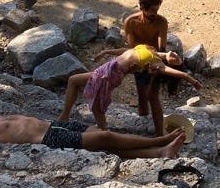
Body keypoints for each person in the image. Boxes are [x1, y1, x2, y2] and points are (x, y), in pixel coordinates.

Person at [0, 106, 187, 159]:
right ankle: (159, 140)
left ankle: (159, 153)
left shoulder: (0, 116)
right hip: (51, 139)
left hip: (57, 125)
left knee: (107, 143)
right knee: (106, 139)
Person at [58, 44, 200, 129]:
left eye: (176, 60)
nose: (175, 56)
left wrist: (192, 80)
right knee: (73, 81)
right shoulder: (150, 50)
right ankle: (65, 117)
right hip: (107, 67)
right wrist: (106, 52)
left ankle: (102, 134)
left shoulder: (158, 64)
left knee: (97, 107)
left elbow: (180, 75)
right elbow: (125, 50)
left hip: (112, 74)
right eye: (177, 56)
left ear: (169, 64)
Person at [124, 0, 172, 135]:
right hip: (139, 60)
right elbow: (131, 47)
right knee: (142, 95)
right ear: (142, 7)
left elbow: (161, 47)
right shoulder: (131, 22)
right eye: (152, 10)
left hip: (156, 60)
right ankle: (143, 127)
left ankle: (159, 134)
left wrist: (158, 65)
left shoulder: (161, 22)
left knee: (153, 96)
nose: (155, 14)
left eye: (157, 10)